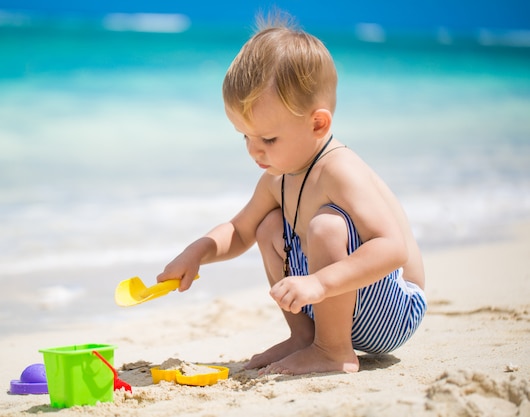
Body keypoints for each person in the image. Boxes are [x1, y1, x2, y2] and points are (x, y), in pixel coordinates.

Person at [156, 14, 427, 376]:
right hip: (334, 300)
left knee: (327, 226)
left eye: (268, 139)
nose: (254, 151)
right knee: (268, 226)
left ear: (318, 124)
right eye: (245, 137)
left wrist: (319, 283)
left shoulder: (339, 169)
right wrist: (197, 253)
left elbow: (393, 249)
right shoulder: (278, 177)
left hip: (392, 310)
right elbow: (240, 231)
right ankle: (306, 337)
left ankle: (333, 351)